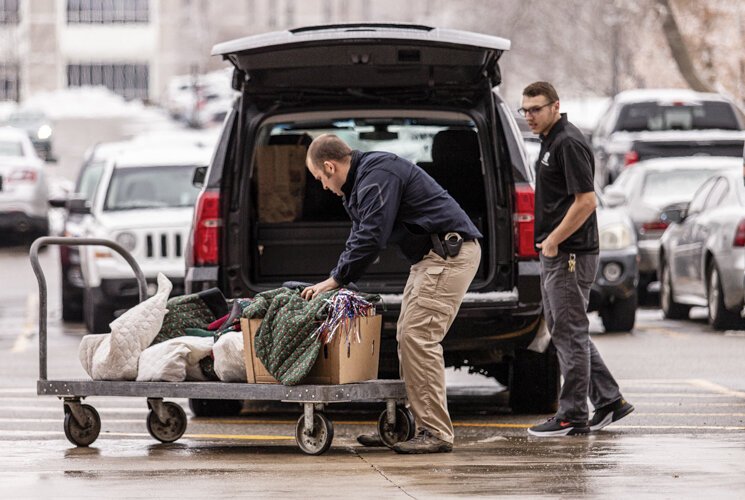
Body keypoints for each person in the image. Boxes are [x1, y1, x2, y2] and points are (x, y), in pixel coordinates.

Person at [300, 134, 482, 453]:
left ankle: (436, 433)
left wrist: (335, 280)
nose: (323, 187)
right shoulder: (365, 180)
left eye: (319, 179)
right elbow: (361, 233)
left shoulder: (377, 175)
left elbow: (371, 235)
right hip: (431, 258)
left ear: (329, 166)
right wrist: (340, 277)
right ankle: (407, 426)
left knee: (418, 337)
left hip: (448, 256)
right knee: (407, 336)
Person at [520, 82, 634, 437]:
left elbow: (586, 200)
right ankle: (609, 400)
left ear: (555, 106)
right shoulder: (551, 141)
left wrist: (553, 241)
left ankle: (572, 415)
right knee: (565, 329)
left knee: (568, 331)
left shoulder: (567, 142)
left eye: (536, 109)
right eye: (525, 110)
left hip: (570, 253)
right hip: (558, 252)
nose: (529, 117)